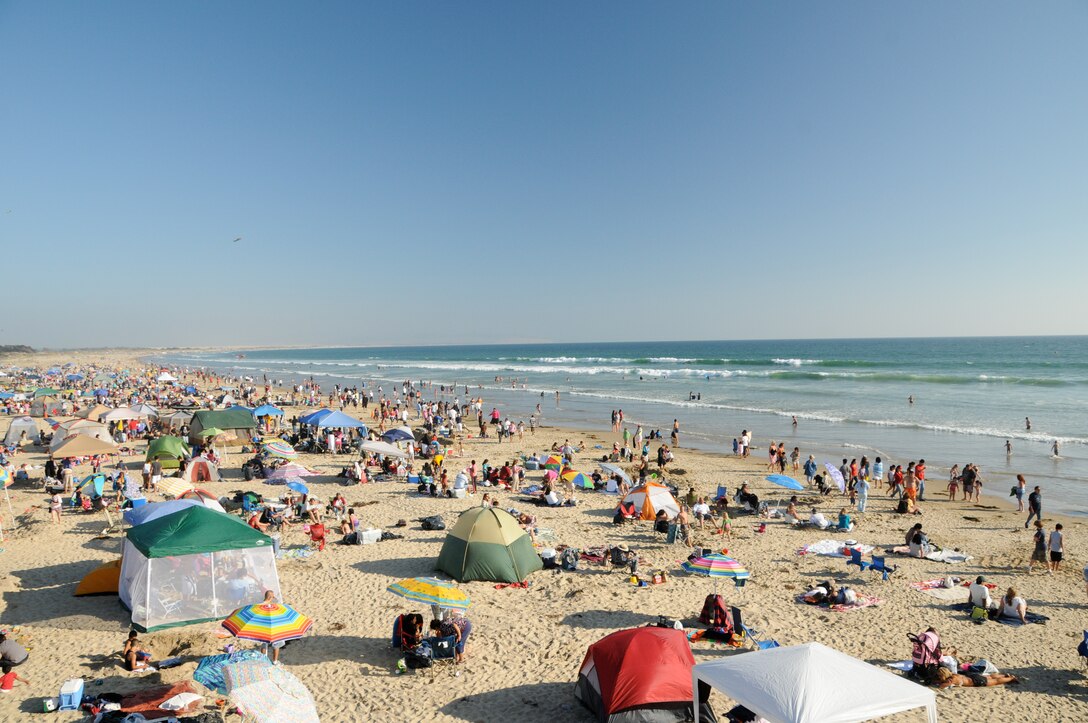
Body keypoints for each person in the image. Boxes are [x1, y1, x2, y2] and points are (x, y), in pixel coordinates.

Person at [935, 668, 1019, 689]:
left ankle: (1011, 678)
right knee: (990, 676)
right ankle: (1004, 675)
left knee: (996, 681)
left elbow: (941, 686)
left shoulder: (951, 680)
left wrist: (939, 683)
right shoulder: (953, 675)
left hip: (976, 681)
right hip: (972, 677)